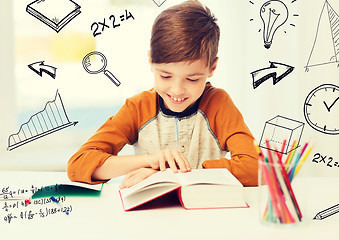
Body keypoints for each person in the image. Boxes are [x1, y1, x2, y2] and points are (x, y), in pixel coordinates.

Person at [67, 0, 258, 188]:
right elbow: (79, 165)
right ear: (150, 61)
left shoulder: (218, 104)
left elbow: (255, 168)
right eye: (165, 76)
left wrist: (168, 175)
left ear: (212, 67)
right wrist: (151, 161)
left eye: (192, 79)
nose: (177, 90)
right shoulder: (138, 108)